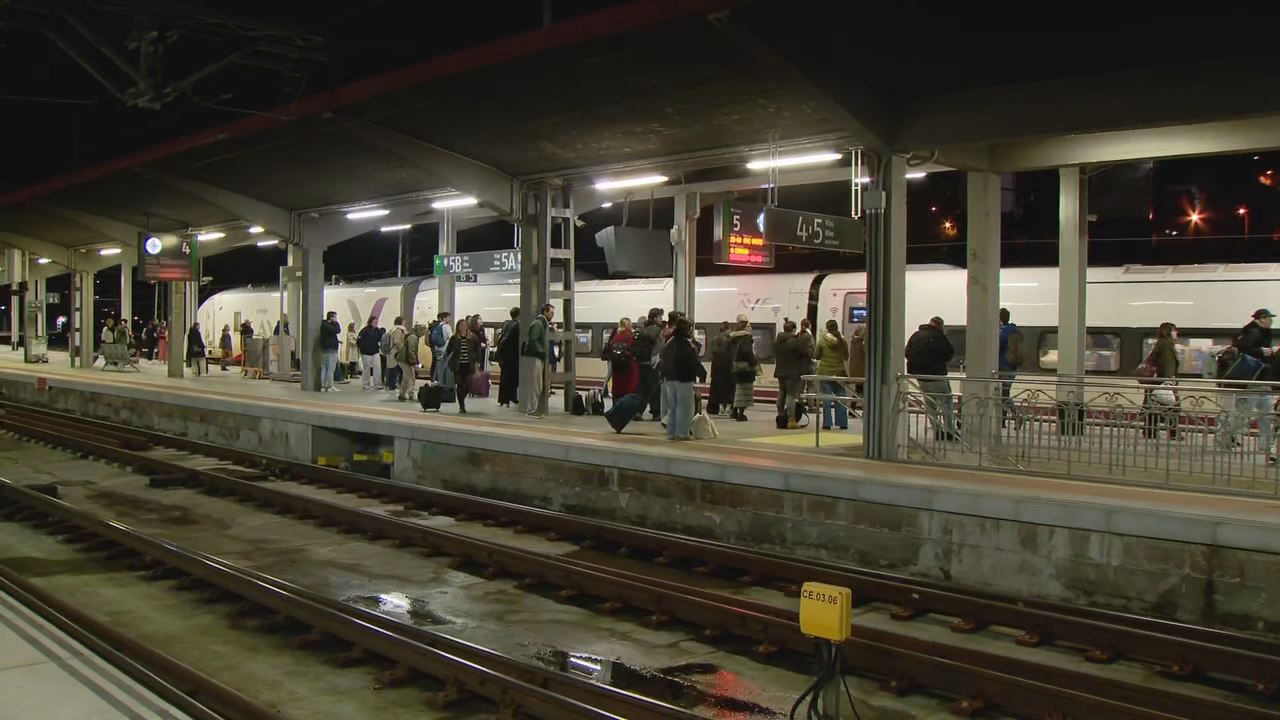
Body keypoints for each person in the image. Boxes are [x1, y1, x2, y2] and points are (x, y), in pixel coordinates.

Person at [1218, 308, 1275, 456]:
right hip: (1252, 379)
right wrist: (1266, 351)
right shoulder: (1253, 332)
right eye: (1269, 318)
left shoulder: (1258, 332)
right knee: (1243, 413)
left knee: (1266, 412)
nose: (1271, 321)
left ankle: (1266, 444)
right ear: (1262, 318)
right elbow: (1245, 350)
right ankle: (1225, 436)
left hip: (1261, 379)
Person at [905, 316, 958, 441]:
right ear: (940, 325)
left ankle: (937, 431)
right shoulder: (939, 336)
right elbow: (949, 353)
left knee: (930, 405)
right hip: (937, 376)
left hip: (921, 377)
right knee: (947, 402)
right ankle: (950, 431)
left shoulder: (915, 336)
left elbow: (907, 352)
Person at [659, 317, 706, 440]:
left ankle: (671, 433)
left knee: (672, 408)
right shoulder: (687, 344)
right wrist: (702, 374)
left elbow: (663, 359)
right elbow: (694, 362)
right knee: (684, 407)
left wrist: (663, 374)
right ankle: (682, 433)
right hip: (684, 379)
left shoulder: (670, 342)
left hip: (670, 379)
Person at [1143, 322, 1180, 441]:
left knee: (1155, 408)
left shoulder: (1162, 343)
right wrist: (1169, 380)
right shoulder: (1166, 345)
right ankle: (1173, 433)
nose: (1176, 333)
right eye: (1174, 330)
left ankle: (1150, 431)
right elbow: (1167, 363)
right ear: (1168, 332)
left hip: (1157, 382)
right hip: (1163, 382)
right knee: (1174, 407)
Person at [814, 319, 850, 431]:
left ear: (827, 328)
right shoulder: (842, 341)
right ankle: (842, 423)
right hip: (839, 373)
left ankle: (827, 424)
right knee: (841, 398)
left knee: (826, 399)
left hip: (825, 373)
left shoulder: (822, 340)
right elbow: (846, 356)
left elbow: (816, 355)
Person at [772, 320, 807, 429]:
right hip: (793, 372)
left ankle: (781, 416)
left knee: (782, 393)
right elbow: (805, 353)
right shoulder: (795, 342)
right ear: (793, 329)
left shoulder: (777, 342)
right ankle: (791, 420)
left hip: (780, 371)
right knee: (791, 395)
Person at [522, 304, 553, 418]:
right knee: (535, 384)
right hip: (535, 357)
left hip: (537, 357)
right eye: (551, 313)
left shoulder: (542, 324)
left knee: (537, 384)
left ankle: (533, 408)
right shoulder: (538, 324)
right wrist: (542, 352)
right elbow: (533, 341)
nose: (552, 315)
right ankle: (531, 409)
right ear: (545, 312)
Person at [446, 318, 482, 414]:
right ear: (458, 327)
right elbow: (449, 350)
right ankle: (462, 406)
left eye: (465, 325)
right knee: (459, 385)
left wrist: (477, 363)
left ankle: (462, 397)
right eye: (461, 325)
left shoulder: (472, 337)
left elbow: (477, 351)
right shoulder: (454, 338)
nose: (463, 327)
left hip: (469, 364)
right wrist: (444, 357)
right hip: (458, 365)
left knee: (469, 385)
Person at [728, 315, 757, 422]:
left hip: (736, 366)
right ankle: (740, 414)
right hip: (745, 367)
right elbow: (747, 352)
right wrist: (753, 362)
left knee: (739, 390)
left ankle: (734, 411)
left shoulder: (734, 337)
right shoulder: (746, 338)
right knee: (745, 391)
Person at [998, 308, 1024, 426]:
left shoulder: (1002, 332)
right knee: (1004, 393)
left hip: (1004, 366)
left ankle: (1017, 415)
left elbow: (997, 349)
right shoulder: (1015, 331)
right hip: (1013, 366)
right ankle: (1002, 420)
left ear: (999, 318)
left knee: (1003, 395)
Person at [605, 318, 639, 401]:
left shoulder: (616, 337)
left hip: (617, 365)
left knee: (617, 385)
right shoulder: (631, 336)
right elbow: (635, 350)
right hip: (629, 365)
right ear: (629, 325)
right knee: (629, 386)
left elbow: (610, 347)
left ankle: (616, 402)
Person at [706, 322, 734, 416]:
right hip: (727, 367)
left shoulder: (714, 339)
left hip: (716, 366)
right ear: (727, 329)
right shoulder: (729, 340)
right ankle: (727, 408)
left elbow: (711, 354)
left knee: (716, 388)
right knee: (728, 388)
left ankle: (717, 407)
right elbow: (731, 354)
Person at [496, 307, 521, 408]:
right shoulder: (517, 326)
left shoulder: (506, 324)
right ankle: (511, 397)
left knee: (504, 377)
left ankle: (503, 399)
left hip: (503, 354)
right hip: (513, 355)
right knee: (513, 378)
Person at [389, 316, 415, 402]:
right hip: (400, 355)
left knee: (406, 375)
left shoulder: (395, 330)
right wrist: (403, 350)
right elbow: (397, 341)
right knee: (410, 375)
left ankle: (403, 394)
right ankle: (410, 393)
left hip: (399, 355)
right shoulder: (398, 330)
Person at [357, 317, 382, 390]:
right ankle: (366, 383)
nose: (376, 323)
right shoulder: (364, 330)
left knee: (377, 367)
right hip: (366, 352)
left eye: (377, 322)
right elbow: (359, 340)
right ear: (370, 322)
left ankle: (377, 383)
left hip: (375, 351)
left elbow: (379, 338)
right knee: (366, 368)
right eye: (374, 322)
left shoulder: (377, 330)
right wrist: (362, 348)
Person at [318, 310, 341, 392]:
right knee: (330, 368)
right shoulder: (329, 326)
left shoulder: (323, 324)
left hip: (324, 349)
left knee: (324, 367)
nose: (336, 319)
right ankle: (330, 386)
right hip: (331, 348)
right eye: (335, 317)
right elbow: (338, 330)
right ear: (331, 317)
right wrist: (336, 323)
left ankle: (323, 386)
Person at [847, 323, 867, 411]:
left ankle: (852, 408)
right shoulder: (861, 343)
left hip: (854, 370)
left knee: (858, 390)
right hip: (862, 371)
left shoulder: (853, 342)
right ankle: (862, 409)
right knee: (863, 390)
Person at [429, 312, 452, 381]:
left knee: (439, 366)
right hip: (445, 349)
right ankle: (444, 381)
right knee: (445, 366)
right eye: (448, 317)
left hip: (437, 349)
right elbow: (451, 337)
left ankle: (437, 379)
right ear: (444, 318)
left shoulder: (436, 326)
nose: (450, 319)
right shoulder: (446, 326)